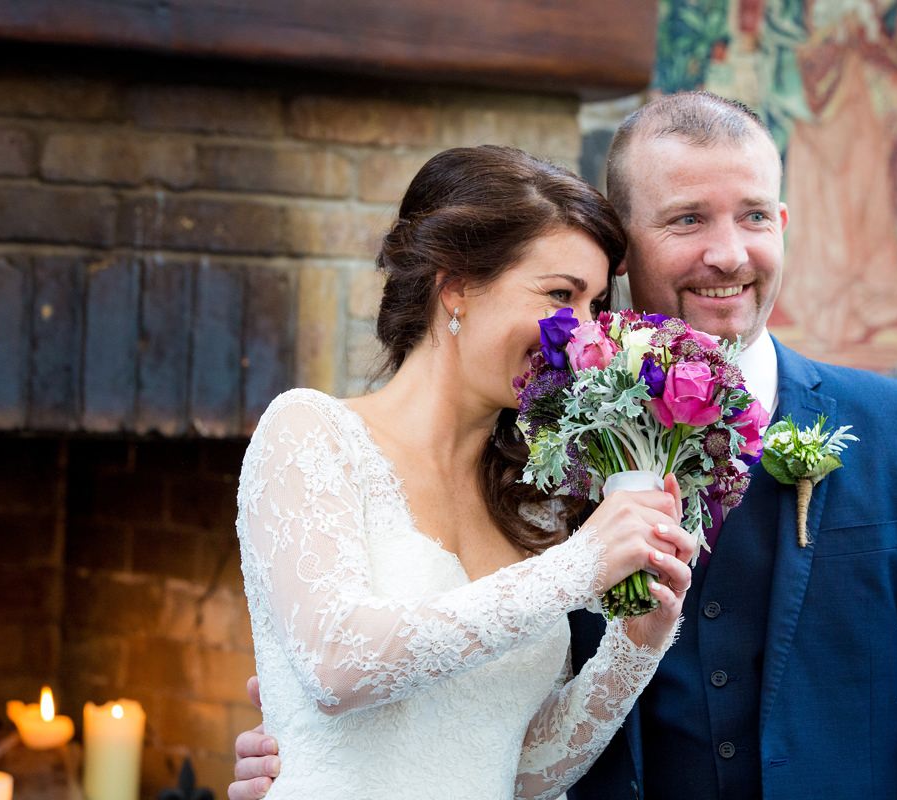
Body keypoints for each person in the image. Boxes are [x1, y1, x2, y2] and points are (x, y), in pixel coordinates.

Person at [232, 93, 897, 799]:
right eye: (687, 219)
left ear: (783, 224)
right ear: (625, 251)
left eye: (755, 215)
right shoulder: (535, 458)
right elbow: (408, 687)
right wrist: (317, 753)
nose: (729, 253)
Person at [232, 144, 698, 800]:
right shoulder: (310, 432)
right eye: (560, 295)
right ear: (455, 287)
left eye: (595, 306)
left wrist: (635, 647)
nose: (584, 337)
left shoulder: (534, 502)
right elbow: (338, 665)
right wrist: (580, 567)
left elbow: (523, 769)